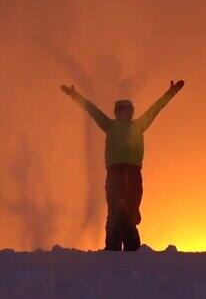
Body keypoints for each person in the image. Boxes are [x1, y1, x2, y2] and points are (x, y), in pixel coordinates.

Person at [60, 80, 185, 251]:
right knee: (115, 212)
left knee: (128, 212)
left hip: (132, 174)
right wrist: (75, 96)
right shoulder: (110, 125)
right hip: (115, 174)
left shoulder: (138, 126)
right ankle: (113, 249)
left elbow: (155, 109)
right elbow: (93, 111)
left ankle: (130, 249)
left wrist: (170, 93)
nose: (124, 113)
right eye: (120, 110)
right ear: (116, 112)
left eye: (127, 109)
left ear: (131, 112)